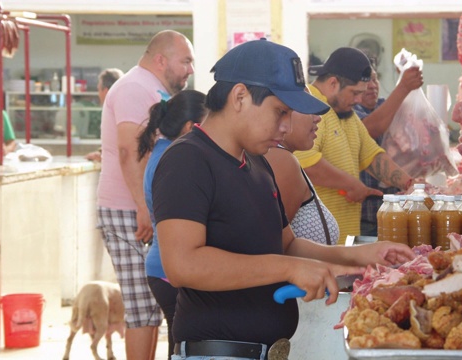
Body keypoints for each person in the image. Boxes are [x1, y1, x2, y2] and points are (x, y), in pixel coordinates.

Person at [152, 39, 415, 360]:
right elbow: (183, 265)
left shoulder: (258, 161)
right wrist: (289, 268)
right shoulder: (189, 159)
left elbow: (287, 244)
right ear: (239, 97)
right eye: (280, 112)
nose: (287, 126)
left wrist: (361, 255)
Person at [96, 29, 194, 360]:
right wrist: (142, 207)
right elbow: (128, 150)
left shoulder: (148, 87)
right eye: (186, 61)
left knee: (151, 309)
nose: (190, 69)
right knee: (141, 309)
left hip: (142, 209)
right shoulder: (134, 87)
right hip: (128, 210)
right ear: (160, 59)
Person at [293, 47, 413, 243]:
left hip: (345, 238)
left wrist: (410, 184)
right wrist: (352, 185)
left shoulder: (348, 114)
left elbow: (372, 157)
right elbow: (305, 164)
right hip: (315, 243)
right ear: (333, 83)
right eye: (355, 93)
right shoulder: (308, 107)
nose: (359, 100)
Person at [137, 89, 207, 360]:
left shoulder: (164, 150)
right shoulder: (174, 158)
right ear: (191, 126)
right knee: (183, 347)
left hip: (163, 264)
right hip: (169, 268)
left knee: (179, 346)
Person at [355, 65, 424, 236]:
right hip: (365, 220)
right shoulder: (348, 113)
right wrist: (403, 87)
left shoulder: (386, 106)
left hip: (398, 217)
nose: (372, 85)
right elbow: (370, 128)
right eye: (365, 81)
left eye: (374, 78)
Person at [265, 95, 340, 245]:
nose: (317, 118)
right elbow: (272, 246)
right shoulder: (282, 161)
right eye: (307, 108)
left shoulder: (283, 158)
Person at [86, 67, 125, 162]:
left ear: (106, 91)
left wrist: (101, 155)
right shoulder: (122, 108)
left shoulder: (119, 112)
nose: (98, 94)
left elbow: (124, 142)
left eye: (99, 90)